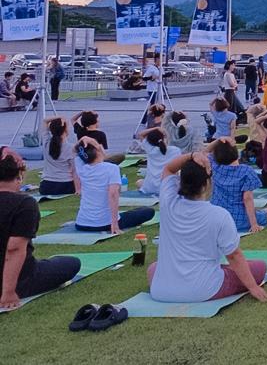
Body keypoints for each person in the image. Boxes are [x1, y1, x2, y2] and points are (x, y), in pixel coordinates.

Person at [148, 151, 267, 303]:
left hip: (162, 289)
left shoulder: (168, 203)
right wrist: (253, 287)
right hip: (203, 289)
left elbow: (168, 169)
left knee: (154, 267)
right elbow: (234, 256)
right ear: (206, 184)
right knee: (259, 267)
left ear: (181, 182)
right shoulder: (219, 215)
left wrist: (191, 155)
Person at [0, 148, 82, 310]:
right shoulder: (24, 204)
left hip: (21, 270)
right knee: (72, 263)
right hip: (21, 279)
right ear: (19, 176)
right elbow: (14, 249)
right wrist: (8, 292)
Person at [73, 137, 154, 233]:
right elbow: (113, 194)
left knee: (131, 213)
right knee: (148, 211)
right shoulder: (112, 168)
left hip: (82, 224)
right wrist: (114, 224)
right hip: (104, 224)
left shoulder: (81, 166)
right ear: (98, 151)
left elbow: (75, 150)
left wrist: (83, 139)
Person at [208, 138, 267, 233]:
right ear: (236, 153)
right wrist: (254, 224)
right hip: (240, 220)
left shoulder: (215, 167)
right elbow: (247, 199)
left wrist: (219, 140)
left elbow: (204, 151)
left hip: (217, 219)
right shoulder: (246, 171)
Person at [38, 117, 77, 197]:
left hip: (46, 186)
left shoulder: (46, 143)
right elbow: (74, 171)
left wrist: (60, 117)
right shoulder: (71, 148)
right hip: (66, 185)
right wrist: (78, 189)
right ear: (65, 130)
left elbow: (45, 121)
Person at [136, 128, 181, 196]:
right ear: (164, 137)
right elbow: (177, 171)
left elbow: (140, 134)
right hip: (168, 188)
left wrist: (156, 128)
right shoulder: (175, 150)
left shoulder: (149, 149)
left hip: (151, 188)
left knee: (139, 182)